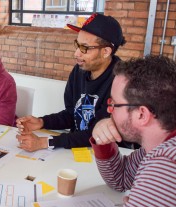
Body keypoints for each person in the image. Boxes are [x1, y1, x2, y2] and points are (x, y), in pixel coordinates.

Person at [91, 55, 176, 207]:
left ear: (141, 114)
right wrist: (102, 140)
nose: (109, 111)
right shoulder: (164, 141)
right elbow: (120, 179)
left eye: (114, 104)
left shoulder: (172, 166)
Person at [16, 13, 126, 150]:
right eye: (77, 45)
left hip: (107, 155)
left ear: (106, 51)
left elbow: (97, 133)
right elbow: (72, 114)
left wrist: (45, 142)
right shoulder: (78, 71)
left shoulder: (122, 82)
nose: (76, 53)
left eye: (84, 48)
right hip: (76, 149)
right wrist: (42, 122)